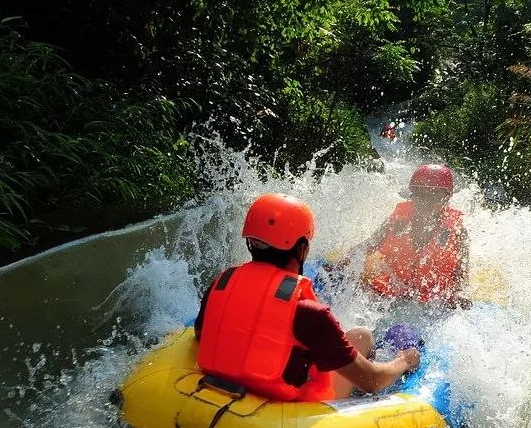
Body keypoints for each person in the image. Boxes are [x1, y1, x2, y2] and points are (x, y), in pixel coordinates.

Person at [194, 193, 420, 402]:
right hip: (286, 412)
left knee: (358, 336)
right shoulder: (309, 313)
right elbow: (373, 380)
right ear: (302, 249)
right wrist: (404, 361)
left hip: (224, 389)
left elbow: (201, 335)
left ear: (251, 242)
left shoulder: (222, 283)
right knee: (363, 337)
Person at [360, 164, 471, 308]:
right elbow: (369, 246)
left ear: (446, 198)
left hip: (435, 297)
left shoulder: (457, 230)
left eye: (434, 196)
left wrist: (459, 292)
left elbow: (461, 272)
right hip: (397, 290)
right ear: (412, 195)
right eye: (420, 195)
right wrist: (344, 262)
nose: (426, 202)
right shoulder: (397, 220)